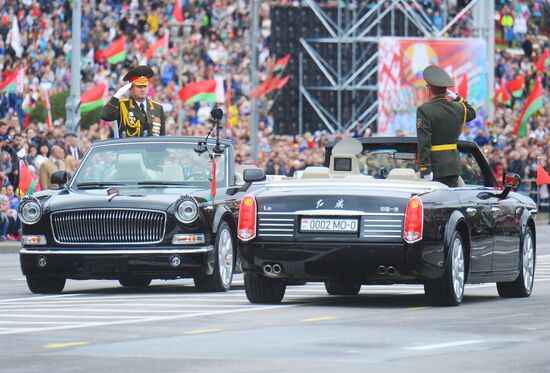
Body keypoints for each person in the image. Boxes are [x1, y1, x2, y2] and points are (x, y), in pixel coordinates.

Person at [416, 65, 477, 187]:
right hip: (453, 167)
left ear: (429, 90)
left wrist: (425, 169)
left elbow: (424, 143)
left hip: (435, 168)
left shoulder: (424, 110)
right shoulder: (458, 108)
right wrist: (457, 97)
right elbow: (472, 112)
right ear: (446, 91)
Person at [101, 65, 166, 138]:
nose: (143, 89)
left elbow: (162, 136)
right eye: (139, 86)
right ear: (130, 89)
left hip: (151, 148)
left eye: (145, 86)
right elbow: (105, 116)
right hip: (130, 148)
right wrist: (117, 95)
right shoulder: (123, 106)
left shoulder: (157, 108)